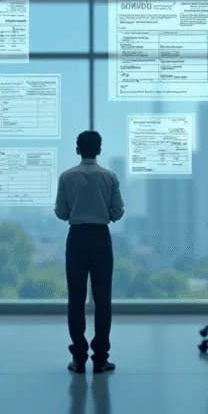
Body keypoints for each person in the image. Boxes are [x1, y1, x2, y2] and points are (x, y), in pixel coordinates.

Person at [54, 130, 124, 374]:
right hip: (100, 238)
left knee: (76, 298)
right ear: (100, 150)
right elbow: (117, 212)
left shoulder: (66, 177)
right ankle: (101, 358)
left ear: (77, 149)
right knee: (103, 299)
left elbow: (61, 213)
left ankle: (79, 357)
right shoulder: (110, 177)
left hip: (77, 238)